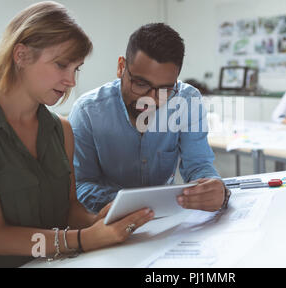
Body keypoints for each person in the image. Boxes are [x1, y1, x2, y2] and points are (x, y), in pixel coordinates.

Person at [0, 1, 154, 268]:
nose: (71, 81)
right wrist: (83, 239)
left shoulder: (62, 130)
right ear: (21, 55)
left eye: (75, 68)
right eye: (61, 65)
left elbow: (69, 208)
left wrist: (99, 222)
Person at [68, 23, 228, 215]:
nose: (151, 99)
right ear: (121, 68)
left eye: (165, 89)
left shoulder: (186, 100)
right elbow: (81, 185)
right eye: (141, 84)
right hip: (107, 220)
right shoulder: (87, 112)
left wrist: (214, 188)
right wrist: (130, 205)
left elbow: (199, 165)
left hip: (167, 219)